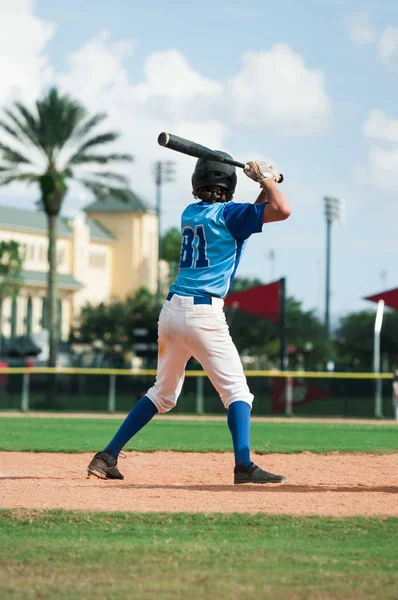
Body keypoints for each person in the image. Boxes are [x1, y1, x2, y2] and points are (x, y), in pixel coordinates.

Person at [88, 155, 291, 484]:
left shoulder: (191, 213)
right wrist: (266, 179)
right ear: (230, 186)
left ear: (198, 183)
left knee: (162, 393)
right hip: (204, 314)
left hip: (172, 311)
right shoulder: (230, 215)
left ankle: (107, 456)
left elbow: (247, 221)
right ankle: (243, 466)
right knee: (238, 392)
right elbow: (281, 210)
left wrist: (266, 186)